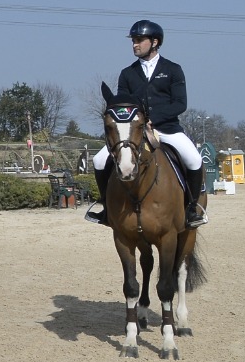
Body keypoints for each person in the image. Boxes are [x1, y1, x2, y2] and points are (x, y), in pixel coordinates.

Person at [85, 19, 207, 228]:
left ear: (155, 42)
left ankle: (192, 208)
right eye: (133, 40)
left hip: (167, 128)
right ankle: (106, 206)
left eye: (139, 40)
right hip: (135, 131)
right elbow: (123, 105)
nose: (135, 44)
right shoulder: (127, 73)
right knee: (98, 160)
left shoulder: (173, 69)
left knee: (194, 160)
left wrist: (153, 119)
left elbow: (180, 104)